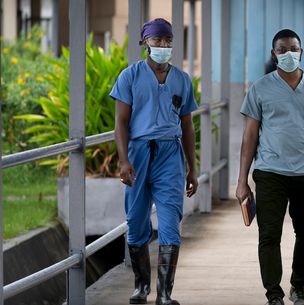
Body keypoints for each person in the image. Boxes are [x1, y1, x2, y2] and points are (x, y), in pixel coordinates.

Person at [236, 29, 304, 305]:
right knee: (269, 235)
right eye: (282, 49)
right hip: (270, 173)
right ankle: (273, 294)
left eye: (293, 48)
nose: (288, 54)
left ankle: (298, 287)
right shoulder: (260, 88)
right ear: (274, 54)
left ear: (302, 52)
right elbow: (250, 136)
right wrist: (242, 180)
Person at [111, 18, 198, 305]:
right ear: (145, 42)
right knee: (136, 223)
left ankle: (164, 294)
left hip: (170, 155)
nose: (162, 46)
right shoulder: (130, 76)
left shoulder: (181, 80)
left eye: (167, 41)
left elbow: (187, 126)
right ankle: (141, 286)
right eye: (157, 40)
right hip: (137, 153)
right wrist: (124, 161)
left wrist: (192, 168)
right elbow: (121, 123)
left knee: (171, 222)